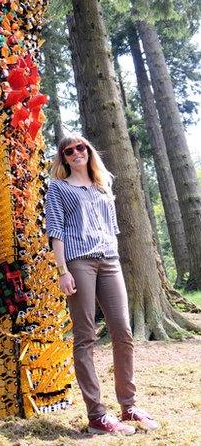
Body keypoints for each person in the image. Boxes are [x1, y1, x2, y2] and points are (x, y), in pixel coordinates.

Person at [45, 134, 158, 436]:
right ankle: (97, 415)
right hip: (78, 262)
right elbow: (55, 230)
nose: (75, 153)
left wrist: (115, 257)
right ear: (64, 158)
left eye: (80, 147)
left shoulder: (102, 186)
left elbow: (113, 229)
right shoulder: (58, 188)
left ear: (88, 151)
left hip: (110, 261)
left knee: (123, 332)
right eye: (68, 151)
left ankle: (129, 406)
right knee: (85, 337)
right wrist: (62, 270)